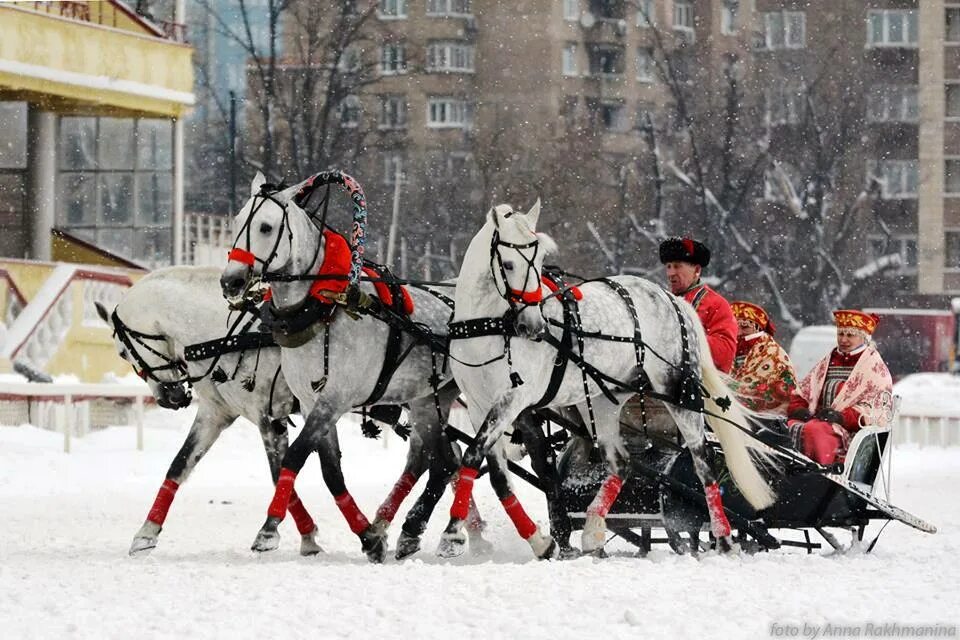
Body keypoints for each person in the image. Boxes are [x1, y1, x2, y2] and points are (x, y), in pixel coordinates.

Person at [786, 310, 893, 465]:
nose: (843, 340)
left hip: (849, 430)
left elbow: (875, 408)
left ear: (863, 337)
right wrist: (799, 409)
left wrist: (841, 417)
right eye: (840, 334)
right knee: (785, 428)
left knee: (815, 431)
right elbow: (804, 390)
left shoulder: (873, 367)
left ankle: (818, 471)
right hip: (817, 420)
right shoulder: (830, 360)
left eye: (850, 335)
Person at [659, 237, 737, 373]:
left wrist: (681, 336)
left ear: (697, 270)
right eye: (668, 266)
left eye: (677, 266)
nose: (671, 273)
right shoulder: (662, 301)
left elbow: (725, 355)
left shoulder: (716, 304)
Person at [728, 301, 797, 413]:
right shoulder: (728, 348)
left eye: (745, 327)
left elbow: (784, 395)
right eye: (735, 327)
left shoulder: (774, 354)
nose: (739, 333)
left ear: (758, 329)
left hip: (765, 420)